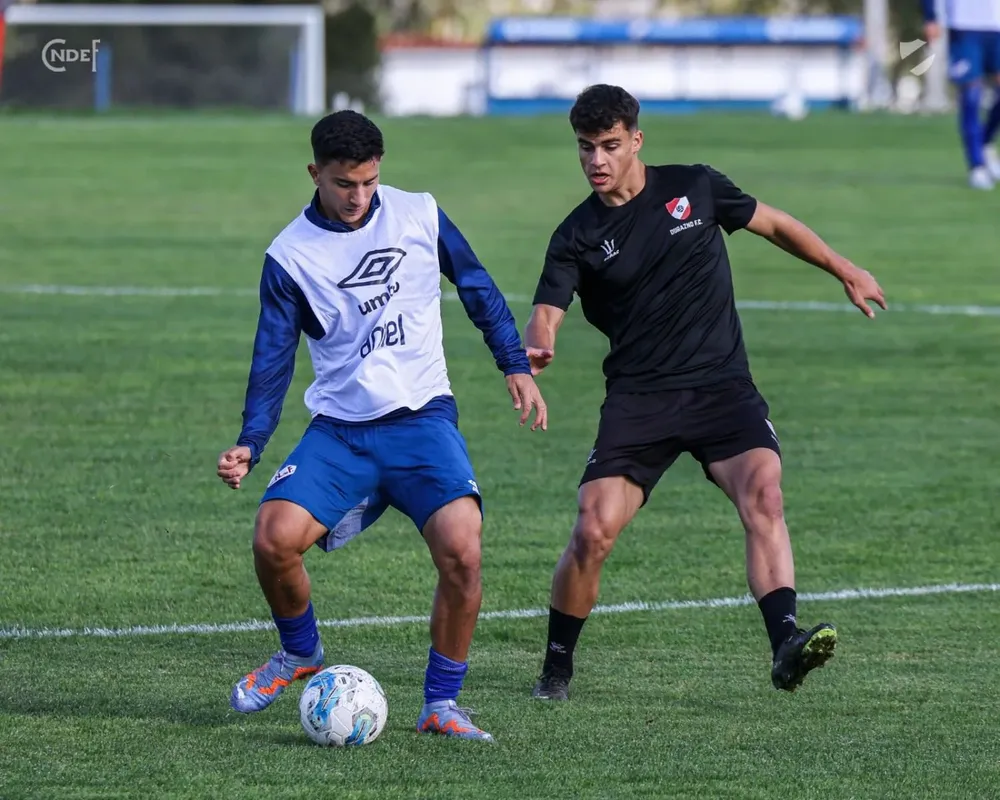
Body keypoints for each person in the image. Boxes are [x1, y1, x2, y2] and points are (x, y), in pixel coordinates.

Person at [524, 84, 886, 701]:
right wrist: (539, 342)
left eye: (610, 146)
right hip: (641, 399)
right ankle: (557, 665)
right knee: (592, 530)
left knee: (764, 494)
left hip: (722, 387)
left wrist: (844, 269)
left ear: (637, 140)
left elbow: (774, 224)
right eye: (585, 149)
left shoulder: (695, 187)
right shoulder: (576, 235)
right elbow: (546, 309)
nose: (597, 161)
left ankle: (785, 643)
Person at [217, 109, 547, 742]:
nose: (359, 197)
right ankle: (299, 654)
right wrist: (251, 442)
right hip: (342, 431)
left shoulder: (418, 212)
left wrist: (514, 363)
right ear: (315, 173)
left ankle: (441, 705)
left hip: (424, 421)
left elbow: (476, 284)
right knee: (272, 537)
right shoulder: (290, 257)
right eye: (344, 183)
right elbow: (273, 357)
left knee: (464, 551)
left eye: (369, 182)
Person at [921, 0, 1000, 189]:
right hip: (964, 25)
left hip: (996, 24)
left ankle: (984, 140)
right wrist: (930, 16)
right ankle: (977, 166)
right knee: (971, 94)